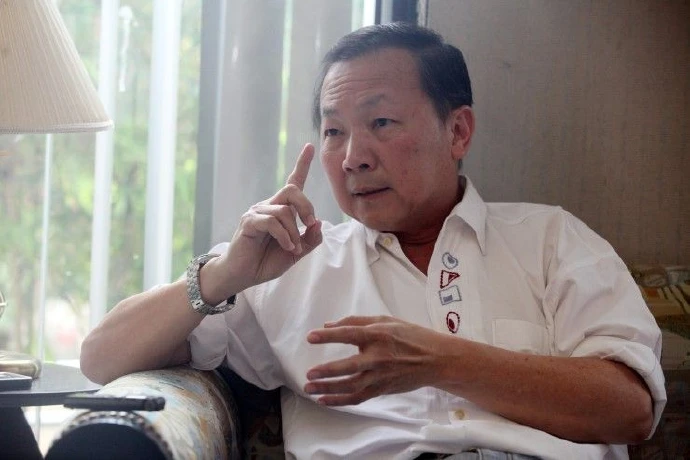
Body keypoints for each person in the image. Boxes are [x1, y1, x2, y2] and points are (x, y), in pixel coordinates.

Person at [81, 23, 666, 459]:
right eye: (334, 131)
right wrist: (221, 276)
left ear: (457, 130)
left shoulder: (550, 239)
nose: (353, 157)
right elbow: (101, 358)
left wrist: (438, 361)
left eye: (381, 123)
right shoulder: (292, 267)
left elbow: (631, 409)